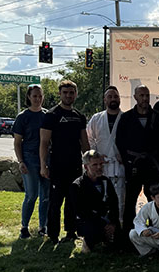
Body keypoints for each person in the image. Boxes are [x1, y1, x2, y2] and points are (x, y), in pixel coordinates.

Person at [40, 79, 89, 244]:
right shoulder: (51, 115)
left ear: (76, 94)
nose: (68, 95)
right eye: (65, 93)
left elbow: (84, 142)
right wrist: (43, 165)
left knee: (72, 201)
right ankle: (53, 235)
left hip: (75, 165)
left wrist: (89, 162)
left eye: (71, 93)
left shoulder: (79, 116)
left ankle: (71, 232)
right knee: (55, 202)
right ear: (60, 94)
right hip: (57, 165)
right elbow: (44, 142)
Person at [115, 84, 159, 232]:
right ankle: (128, 232)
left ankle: (156, 229)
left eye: (147, 95)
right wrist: (126, 160)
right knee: (130, 199)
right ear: (135, 97)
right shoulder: (126, 118)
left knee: (154, 198)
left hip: (153, 165)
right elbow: (120, 141)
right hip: (133, 164)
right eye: (141, 95)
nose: (144, 98)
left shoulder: (158, 117)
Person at [12, 84, 50, 239]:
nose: (38, 99)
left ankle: (43, 227)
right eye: (34, 96)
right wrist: (21, 161)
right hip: (29, 159)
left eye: (40, 96)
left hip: (46, 159)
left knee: (46, 196)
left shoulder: (47, 115)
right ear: (29, 97)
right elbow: (17, 142)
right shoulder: (23, 117)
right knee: (31, 195)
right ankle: (24, 227)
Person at [70, 150, 121, 253]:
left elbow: (114, 203)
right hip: (89, 220)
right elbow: (81, 211)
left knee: (120, 239)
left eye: (101, 164)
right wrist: (103, 224)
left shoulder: (106, 181)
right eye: (95, 165)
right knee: (94, 232)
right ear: (86, 167)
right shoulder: (77, 185)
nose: (99, 167)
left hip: (105, 217)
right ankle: (89, 241)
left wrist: (112, 223)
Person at [86, 86, 125, 222]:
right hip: (101, 166)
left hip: (119, 166)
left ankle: (118, 225)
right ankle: (100, 226)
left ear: (119, 99)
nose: (113, 99)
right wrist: (96, 155)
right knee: (100, 198)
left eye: (115, 96)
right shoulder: (96, 118)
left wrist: (124, 156)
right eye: (110, 96)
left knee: (120, 199)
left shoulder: (126, 118)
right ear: (105, 100)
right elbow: (89, 138)